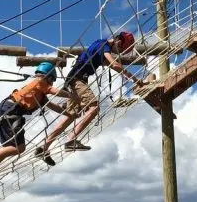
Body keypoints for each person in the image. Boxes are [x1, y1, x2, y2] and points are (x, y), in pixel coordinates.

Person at [34, 32, 143, 163]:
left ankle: (44, 147)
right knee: (94, 107)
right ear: (118, 41)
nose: (118, 53)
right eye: (120, 49)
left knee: (71, 115)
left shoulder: (99, 45)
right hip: (77, 80)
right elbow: (115, 65)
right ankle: (70, 140)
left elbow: (111, 65)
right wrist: (136, 79)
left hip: (73, 79)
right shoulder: (104, 46)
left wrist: (127, 75)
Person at [0, 62, 73, 187]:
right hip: (11, 111)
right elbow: (55, 92)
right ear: (48, 77)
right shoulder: (40, 82)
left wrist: (69, 115)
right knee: (19, 148)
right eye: (51, 80)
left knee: (8, 148)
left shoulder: (38, 92)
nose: (51, 84)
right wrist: (73, 96)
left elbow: (53, 106)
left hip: (5, 111)